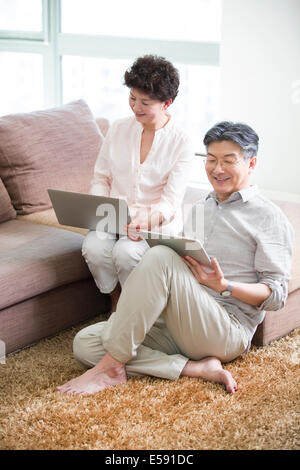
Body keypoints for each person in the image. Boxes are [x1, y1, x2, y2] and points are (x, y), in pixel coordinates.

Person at [57, 121, 294, 396]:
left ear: (251, 164)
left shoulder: (269, 216)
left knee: (160, 257)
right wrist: (144, 235)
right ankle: (195, 368)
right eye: (211, 160)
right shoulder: (201, 208)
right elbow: (179, 260)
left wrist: (225, 285)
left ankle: (111, 368)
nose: (217, 169)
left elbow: (277, 295)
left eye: (228, 161)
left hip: (227, 328)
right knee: (85, 343)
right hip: (182, 321)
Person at [82, 55, 194, 312]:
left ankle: (139, 310)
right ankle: (117, 301)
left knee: (126, 252)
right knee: (93, 247)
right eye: (132, 98)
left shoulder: (181, 141)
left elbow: (170, 201)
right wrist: (101, 206)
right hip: (113, 216)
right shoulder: (118, 128)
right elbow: (101, 177)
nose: (136, 107)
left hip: (154, 223)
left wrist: (147, 221)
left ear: (167, 103)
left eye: (145, 102)